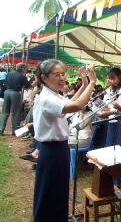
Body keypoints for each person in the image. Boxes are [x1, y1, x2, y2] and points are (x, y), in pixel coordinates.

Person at [32, 59, 96, 222]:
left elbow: (70, 103)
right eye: (57, 74)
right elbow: (75, 107)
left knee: (57, 191)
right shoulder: (47, 98)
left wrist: (83, 85)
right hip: (53, 150)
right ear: (44, 77)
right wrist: (92, 83)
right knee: (50, 192)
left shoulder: (53, 94)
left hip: (57, 149)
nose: (62, 78)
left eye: (63, 74)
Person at [0, 63, 31, 135]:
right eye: (25, 69)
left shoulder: (9, 73)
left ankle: (1, 129)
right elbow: (27, 87)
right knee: (16, 112)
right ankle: (15, 130)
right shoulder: (22, 76)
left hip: (6, 92)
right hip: (15, 93)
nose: (26, 70)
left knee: (5, 112)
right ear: (23, 68)